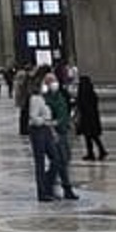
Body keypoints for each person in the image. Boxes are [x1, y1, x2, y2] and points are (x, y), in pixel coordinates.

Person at [43, 71, 79, 200]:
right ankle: (60, 186)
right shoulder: (45, 98)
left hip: (64, 131)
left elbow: (64, 111)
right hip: (54, 132)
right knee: (59, 160)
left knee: (63, 159)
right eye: (50, 81)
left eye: (54, 80)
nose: (54, 84)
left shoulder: (60, 95)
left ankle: (50, 183)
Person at [27, 78, 58, 202]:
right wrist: (45, 120)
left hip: (46, 129)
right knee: (40, 162)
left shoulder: (45, 98)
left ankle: (47, 184)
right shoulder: (35, 99)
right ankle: (42, 192)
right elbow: (34, 117)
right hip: (38, 130)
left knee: (55, 158)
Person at [75, 75, 107, 161]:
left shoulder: (83, 94)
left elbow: (82, 106)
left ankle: (98, 151)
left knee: (91, 136)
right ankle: (93, 152)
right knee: (90, 137)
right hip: (92, 118)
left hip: (87, 119)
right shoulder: (92, 93)